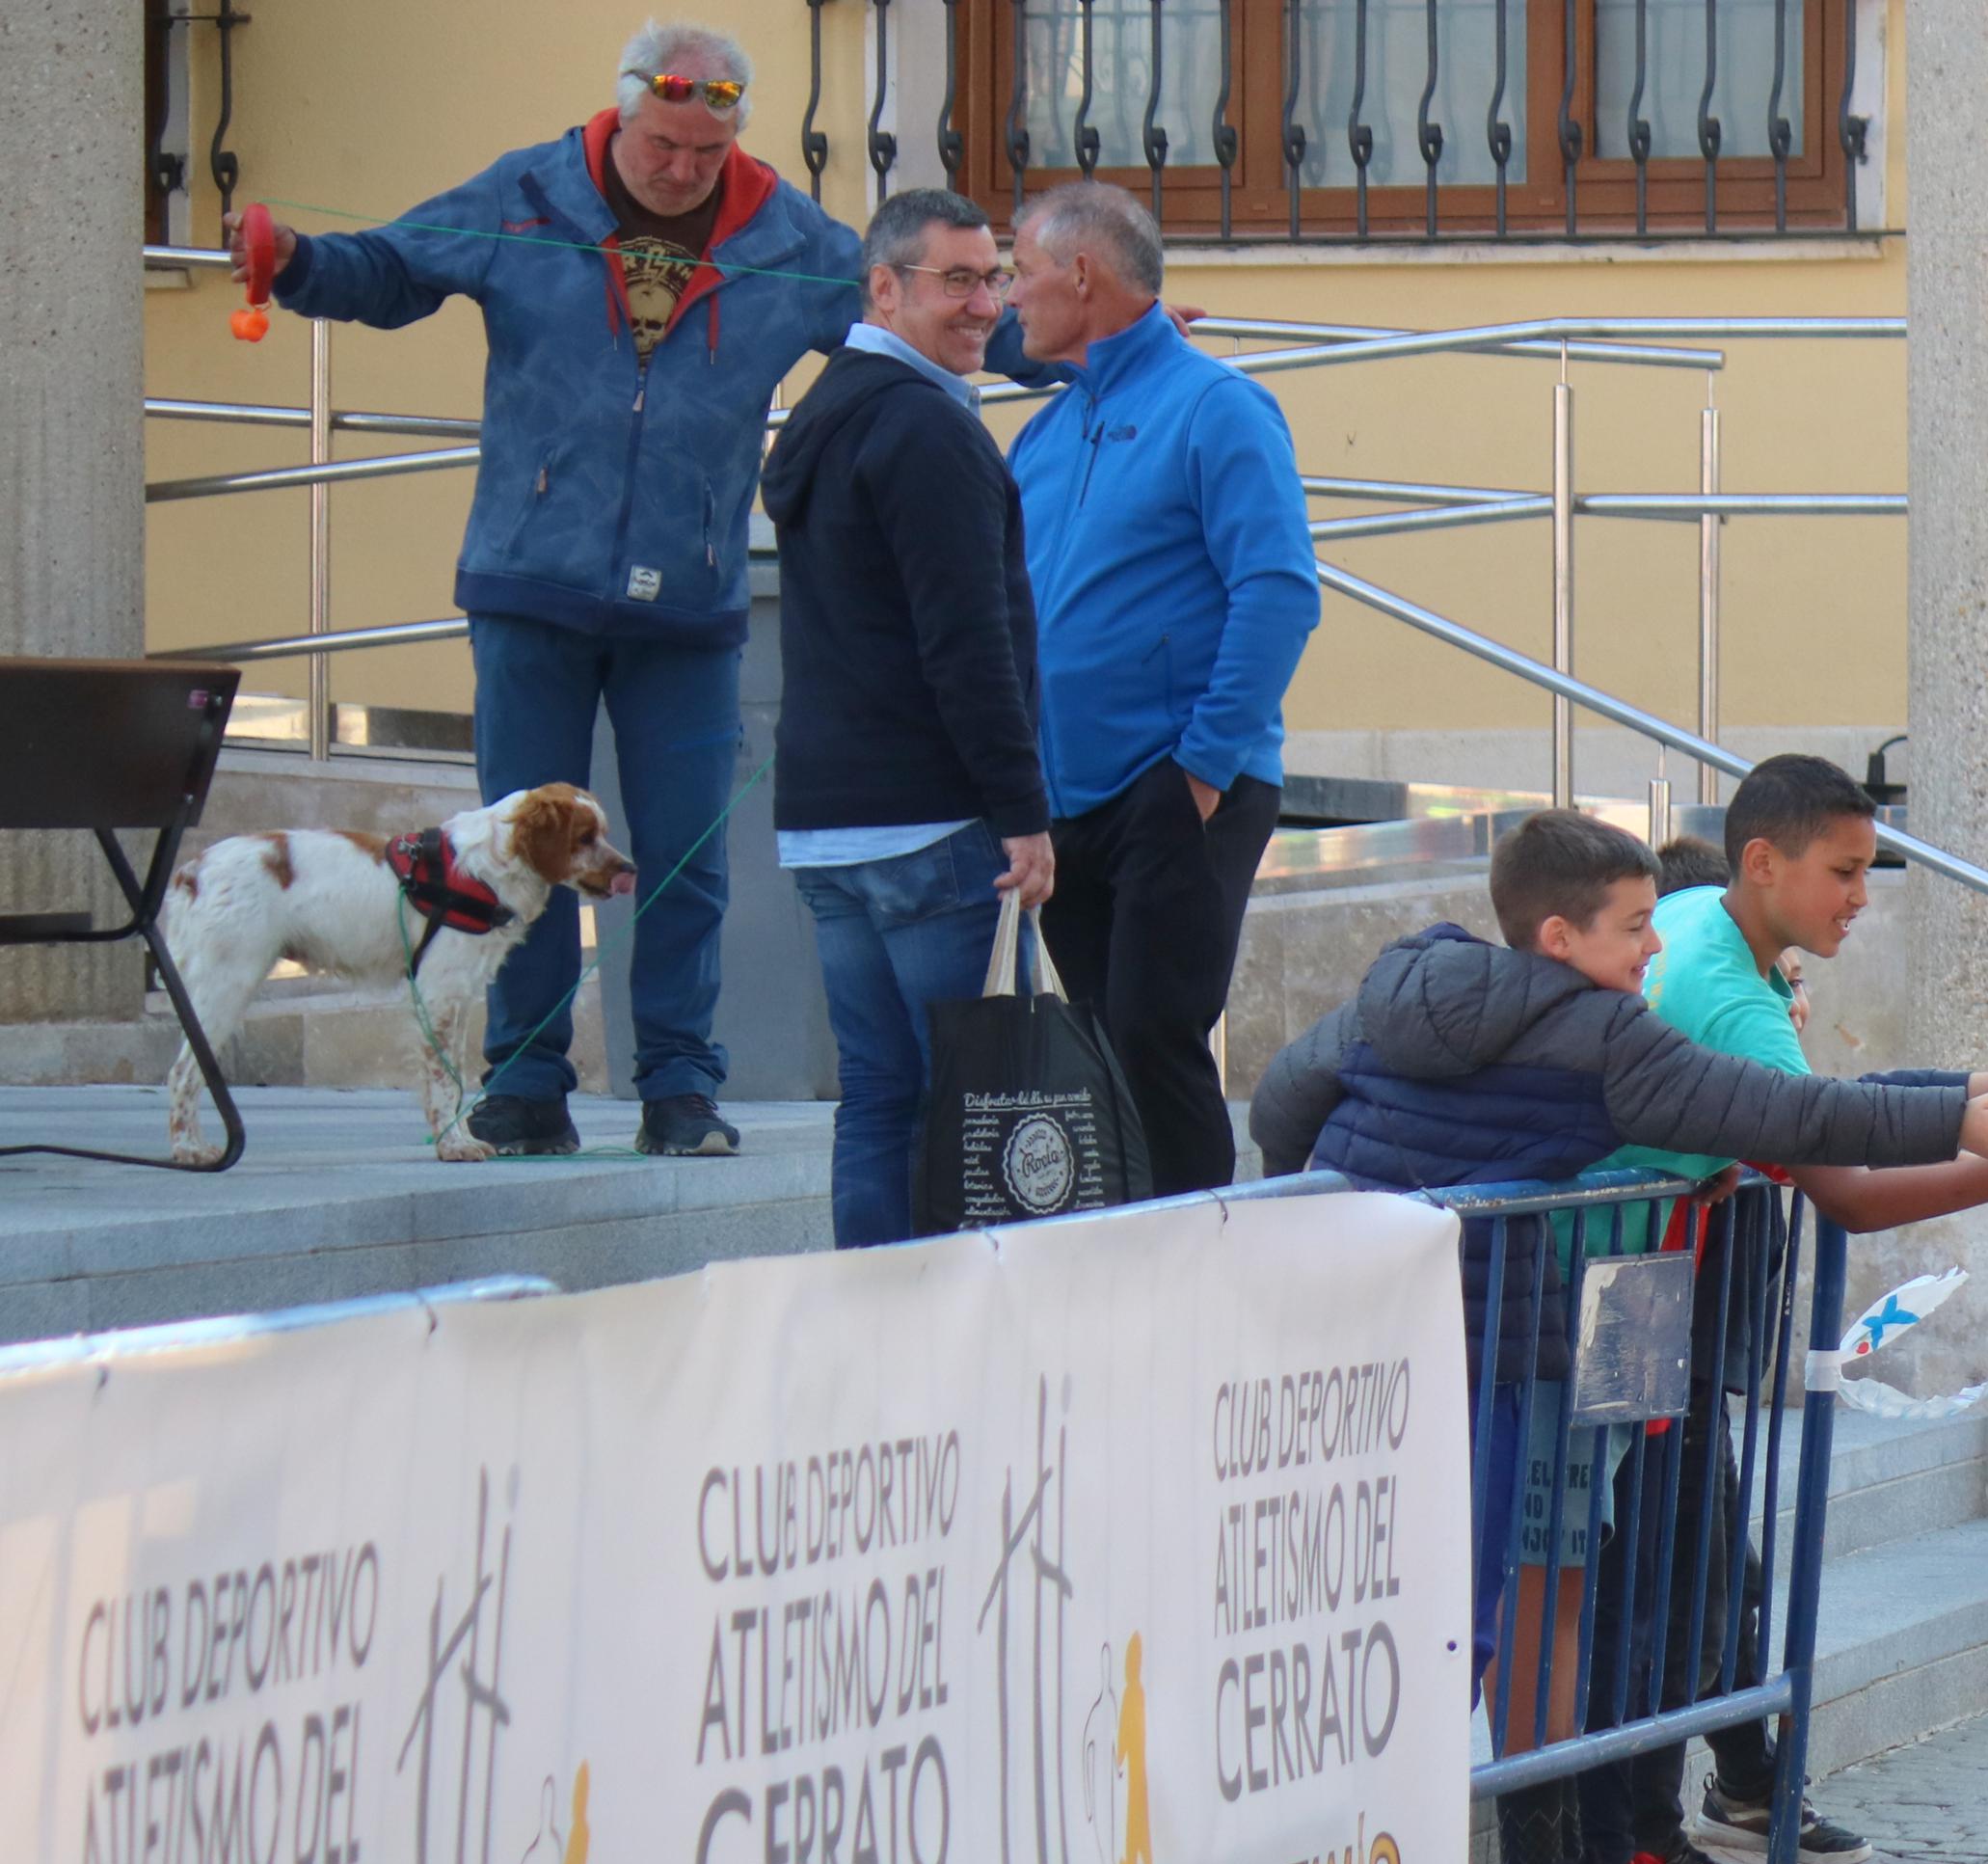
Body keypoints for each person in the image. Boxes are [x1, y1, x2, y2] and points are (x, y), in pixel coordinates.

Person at [1249, 809, 1988, 1864]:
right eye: (1635, 929)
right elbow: (1795, 1117)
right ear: (1562, 934)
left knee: (1470, 1613)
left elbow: (1278, 1104)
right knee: (1473, 1623)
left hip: (1389, 1343)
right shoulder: (1604, 1036)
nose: (1652, 955)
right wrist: (1955, 1119)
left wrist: (1353, 1219)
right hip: (1499, 1353)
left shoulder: (1406, 983)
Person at [255, 23, 1046, 1160]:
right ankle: (523, 1082)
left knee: (684, 857)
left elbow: (935, 310)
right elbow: (391, 269)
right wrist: (289, 264)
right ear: (621, 116)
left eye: (708, 148)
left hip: (691, 598)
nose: (684, 168)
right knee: (518, 855)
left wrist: (1080, 342)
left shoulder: (784, 230)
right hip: (529, 580)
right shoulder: (526, 194)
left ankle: (678, 1083)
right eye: (664, 145)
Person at [1608, 753, 1988, 1864]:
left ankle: (1693, 1809)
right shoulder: (1729, 993)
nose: (1862, 898)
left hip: (1651, 1285)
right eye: (1847, 872)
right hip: (1632, 1292)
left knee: (1700, 1564)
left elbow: (1837, 1111)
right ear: (1763, 863)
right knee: (1663, 1581)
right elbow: (1849, 1184)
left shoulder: (1703, 921)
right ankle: (1633, 1837)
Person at [1008, 182, 1320, 1197]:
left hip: (1176, 785)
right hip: (1066, 801)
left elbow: (1276, 594)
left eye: (1020, 273)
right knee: (1100, 1049)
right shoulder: (1045, 433)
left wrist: (1199, 767)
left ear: (1082, 275)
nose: (1010, 298)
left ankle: (1203, 1280)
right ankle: (1125, 1272)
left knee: (1153, 1035)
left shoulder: (1216, 404)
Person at [761, 189, 1055, 1248]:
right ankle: (955, 1356)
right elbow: (967, 645)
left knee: (879, 1097)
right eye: (957, 282)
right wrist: (1023, 813)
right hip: (931, 826)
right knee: (973, 1108)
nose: (985, 305)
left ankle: (874, 1338)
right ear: (883, 288)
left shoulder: (834, 405)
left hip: (830, 824)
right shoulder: (926, 426)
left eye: (996, 278)